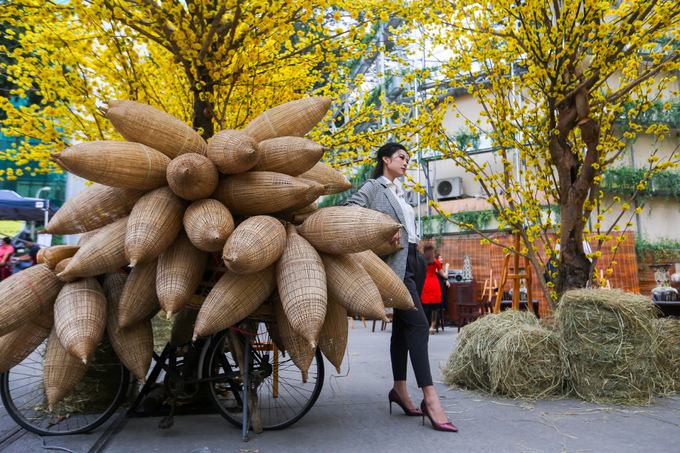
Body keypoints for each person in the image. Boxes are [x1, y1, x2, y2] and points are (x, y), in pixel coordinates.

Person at [345, 142, 458, 432]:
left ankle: (399, 389)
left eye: (408, 158)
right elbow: (349, 212)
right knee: (420, 326)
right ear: (385, 159)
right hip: (396, 267)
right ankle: (430, 399)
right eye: (401, 157)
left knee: (402, 328)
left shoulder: (399, 192)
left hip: (415, 262)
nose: (406, 162)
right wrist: (381, 229)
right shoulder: (374, 186)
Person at [421, 244, 448, 334]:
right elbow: (442, 274)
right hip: (434, 284)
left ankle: (425, 325)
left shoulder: (422, 260)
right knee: (435, 307)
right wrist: (446, 271)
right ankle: (432, 327)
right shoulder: (436, 261)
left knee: (424, 306)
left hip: (425, 284)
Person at [435, 252, 450, 329]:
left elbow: (444, 277)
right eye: (440, 258)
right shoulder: (437, 267)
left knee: (441, 304)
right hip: (439, 285)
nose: (442, 259)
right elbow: (445, 275)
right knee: (440, 304)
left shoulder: (438, 266)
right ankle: (439, 322)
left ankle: (441, 322)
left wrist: (446, 280)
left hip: (441, 284)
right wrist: (447, 268)